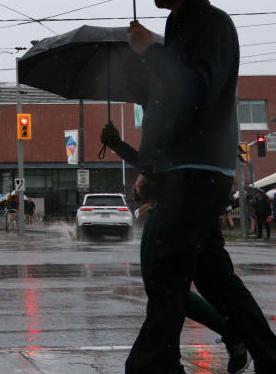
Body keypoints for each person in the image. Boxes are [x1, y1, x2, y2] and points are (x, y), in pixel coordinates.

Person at [112, 0, 276, 373]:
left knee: (165, 273)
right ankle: (268, 354)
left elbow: (198, 90)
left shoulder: (213, 25)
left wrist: (153, 51)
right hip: (182, 172)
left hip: (200, 173)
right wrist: (150, 168)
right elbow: (168, 107)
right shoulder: (179, 27)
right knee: (213, 277)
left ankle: (152, 366)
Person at [102, 124, 249, 374]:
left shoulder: (181, 112)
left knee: (165, 286)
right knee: (170, 287)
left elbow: (164, 166)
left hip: (182, 210)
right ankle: (227, 337)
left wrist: (123, 149)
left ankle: (231, 336)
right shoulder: (183, 111)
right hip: (183, 207)